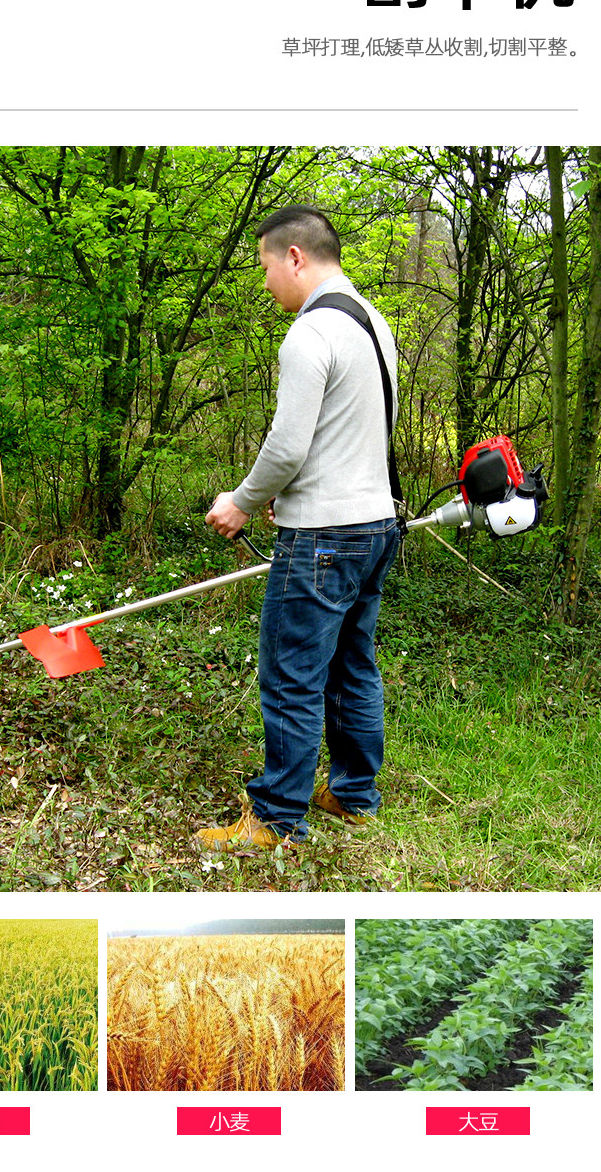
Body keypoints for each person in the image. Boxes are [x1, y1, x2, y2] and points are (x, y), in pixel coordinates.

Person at [195, 204, 400, 852]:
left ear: (294, 256)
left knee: (292, 675)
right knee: (353, 665)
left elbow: (287, 446)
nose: (265, 284)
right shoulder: (374, 324)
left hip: (324, 540)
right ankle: (353, 795)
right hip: (376, 524)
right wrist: (297, 493)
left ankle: (277, 818)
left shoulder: (310, 333)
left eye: (265, 267)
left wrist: (243, 500)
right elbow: (351, 434)